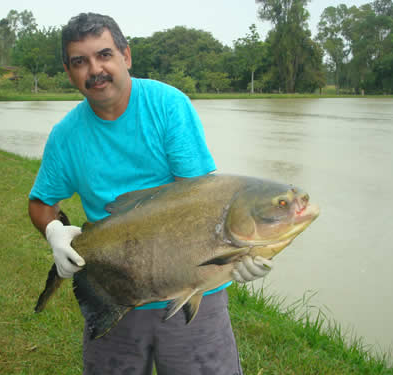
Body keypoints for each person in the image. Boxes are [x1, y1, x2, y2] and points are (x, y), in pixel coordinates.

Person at [28, 12, 273, 375]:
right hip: (114, 288)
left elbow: (204, 199)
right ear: (69, 72)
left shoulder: (167, 105)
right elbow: (40, 203)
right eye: (80, 61)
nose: (95, 69)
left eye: (104, 55)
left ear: (126, 56)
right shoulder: (66, 136)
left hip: (192, 293)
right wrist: (54, 232)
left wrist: (241, 252)